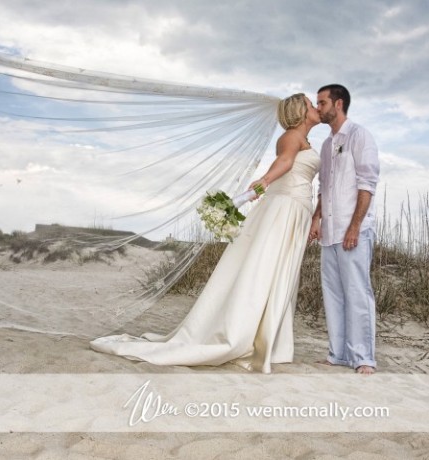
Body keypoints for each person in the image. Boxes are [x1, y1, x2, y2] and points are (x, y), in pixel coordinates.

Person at [90, 93, 321, 373]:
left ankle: (269, 338)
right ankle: (243, 334)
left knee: (280, 272)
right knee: (266, 268)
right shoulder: (290, 136)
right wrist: (257, 188)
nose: (315, 107)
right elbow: (284, 164)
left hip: (298, 210)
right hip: (283, 208)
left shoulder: (306, 140)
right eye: (310, 104)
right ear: (300, 111)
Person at [308, 84, 380, 375]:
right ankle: (337, 354)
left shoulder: (360, 136)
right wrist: (316, 219)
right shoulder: (326, 145)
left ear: (338, 104)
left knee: (357, 293)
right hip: (330, 230)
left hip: (354, 231)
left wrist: (355, 226)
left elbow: (367, 183)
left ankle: (363, 358)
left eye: (322, 102)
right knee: (333, 293)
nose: (318, 107)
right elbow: (323, 188)